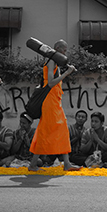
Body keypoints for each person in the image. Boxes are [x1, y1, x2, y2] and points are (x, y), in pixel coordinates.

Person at [28, 39, 81, 172]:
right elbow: (51, 83)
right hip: (49, 102)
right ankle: (33, 164)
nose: (65, 53)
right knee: (44, 132)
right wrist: (66, 73)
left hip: (55, 102)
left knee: (62, 130)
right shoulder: (51, 61)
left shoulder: (54, 62)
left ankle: (67, 164)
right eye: (64, 50)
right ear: (57, 49)